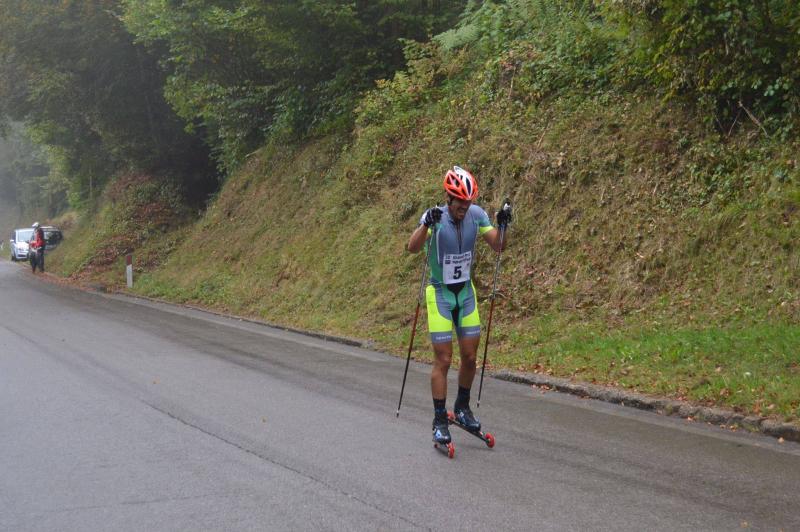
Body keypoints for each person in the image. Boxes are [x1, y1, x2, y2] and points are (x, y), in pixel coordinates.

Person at [407, 166, 512, 445]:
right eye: (459, 201)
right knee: (443, 359)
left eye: (468, 201)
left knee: (469, 356)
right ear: (448, 198)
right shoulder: (435, 217)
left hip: (465, 294)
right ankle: (440, 420)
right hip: (440, 293)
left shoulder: (477, 215)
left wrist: (503, 225)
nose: (464, 207)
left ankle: (462, 408)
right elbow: (412, 247)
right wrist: (425, 224)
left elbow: (499, 246)